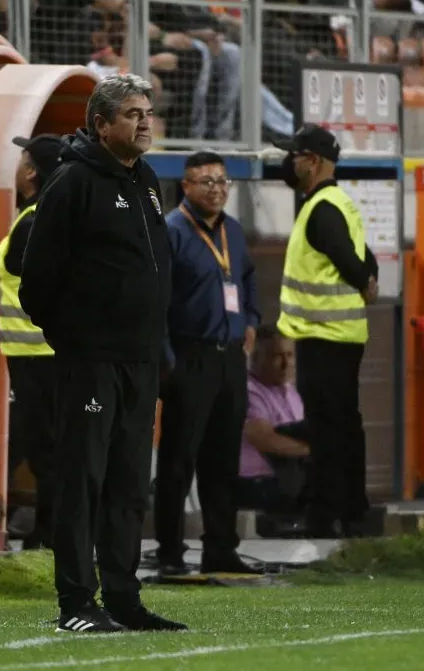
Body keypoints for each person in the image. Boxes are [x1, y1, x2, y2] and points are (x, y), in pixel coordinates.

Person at [20, 73, 186, 634]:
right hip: (90, 361)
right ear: (101, 123)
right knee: (82, 481)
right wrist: (77, 339)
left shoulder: (147, 182)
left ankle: (123, 597)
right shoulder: (71, 183)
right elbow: (36, 282)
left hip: (139, 361)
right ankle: (75, 603)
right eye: (133, 114)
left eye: (148, 112)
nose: (145, 122)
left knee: (127, 484)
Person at [154, 150, 259, 577]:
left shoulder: (233, 231)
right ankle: (169, 552)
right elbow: (158, 300)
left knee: (224, 458)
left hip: (229, 357)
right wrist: (167, 360)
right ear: (186, 186)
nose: (216, 190)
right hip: (189, 355)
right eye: (206, 182)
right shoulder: (172, 231)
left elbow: (248, 281)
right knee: (179, 459)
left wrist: (251, 320)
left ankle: (221, 548)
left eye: (221, 182)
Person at [273, 123, 379, 538]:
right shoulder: (338, 202)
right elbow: (365, 259)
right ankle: (351, 512)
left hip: (326, 336)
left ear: (312, 161)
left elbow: (349, 260)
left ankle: (326, 517)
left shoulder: (321, 208)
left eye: (295, 155)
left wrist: (363, 281)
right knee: (343, 425)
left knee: (327, 430)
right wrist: (367, 282)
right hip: (339, 336)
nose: (289, 162)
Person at [0, 133, 63, 550]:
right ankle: (46, 532)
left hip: (36, 352)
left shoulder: (37, 218)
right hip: (38, 351)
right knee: (43, 445)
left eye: (23, 160)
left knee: (41, 446)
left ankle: (47, 534)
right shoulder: (45, 214)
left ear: (34, 171)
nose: (18, 168)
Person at [237, 326, 309, 515]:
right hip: (255, 485)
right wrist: (314, 450)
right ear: (255, 358)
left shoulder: (291, 393)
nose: (286, 363)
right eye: (277, 356)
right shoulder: (249, 391)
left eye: (290, 355)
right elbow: (263, 438)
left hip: (287, 482)